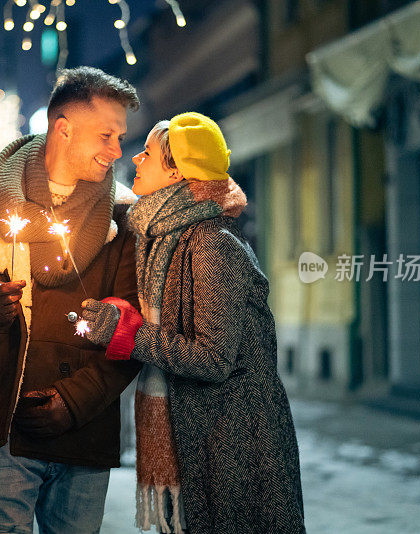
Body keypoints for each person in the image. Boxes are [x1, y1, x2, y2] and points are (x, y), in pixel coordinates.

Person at [0, 66, 142, 534]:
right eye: (106, 135)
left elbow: (133, 331)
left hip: (82, 432)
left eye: (120, 137)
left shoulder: (124, 216)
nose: (117, 151)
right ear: (64, 128)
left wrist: (72, 402)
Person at [82, 113, 306, 533]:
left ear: (176, 171)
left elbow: (214, 358)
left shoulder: (210, 245)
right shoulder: (165, 239)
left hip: (235, 449)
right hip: (202, 442)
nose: (135, 159)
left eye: (147, 153)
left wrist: (130, 333)